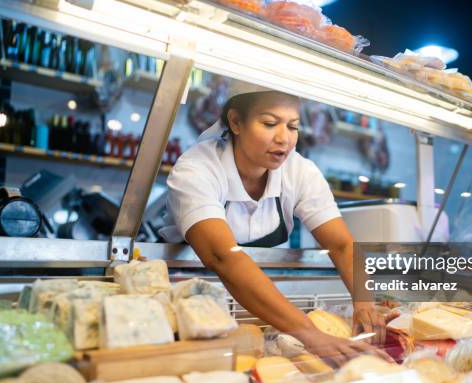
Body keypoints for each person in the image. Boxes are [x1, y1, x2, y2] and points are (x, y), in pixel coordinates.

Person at [165, 81, 391, 366]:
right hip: (190, 313)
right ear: (235, 121)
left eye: (293, 126)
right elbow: (224, 256)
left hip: (264, 309)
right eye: (270, 123)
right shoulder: (197, 168)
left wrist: (365, 303)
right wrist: (309, 334)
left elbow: (341, 244)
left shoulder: (299, 171)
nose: (284, 138)